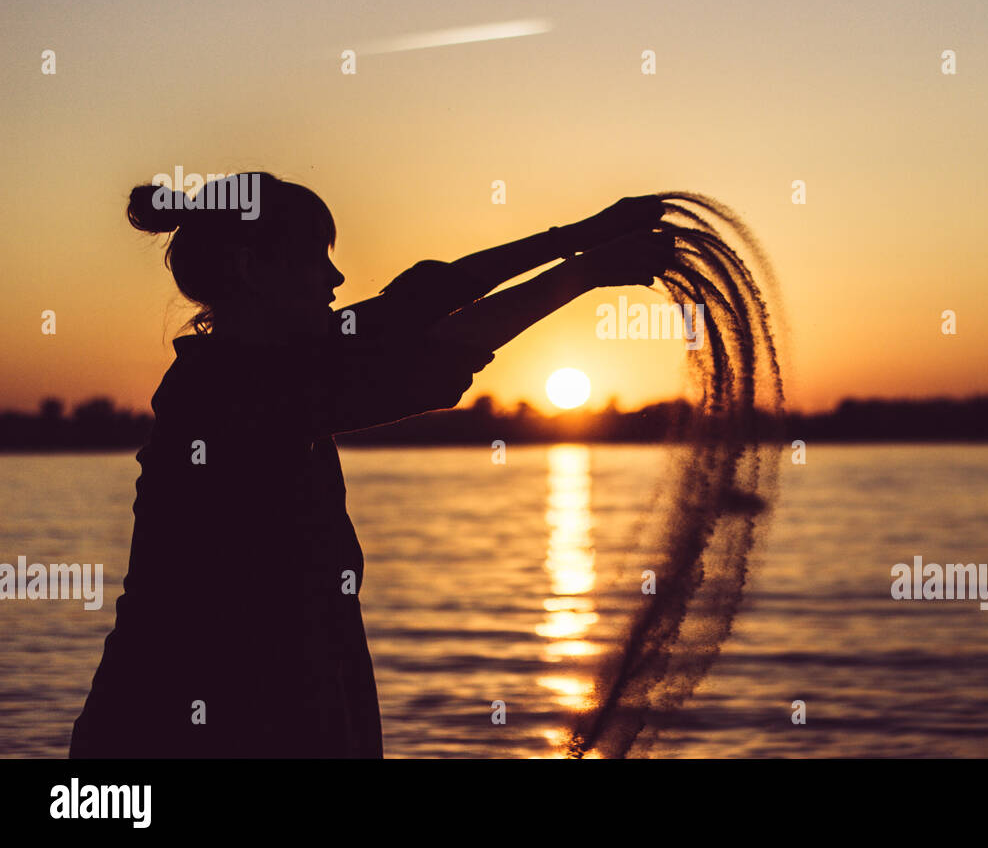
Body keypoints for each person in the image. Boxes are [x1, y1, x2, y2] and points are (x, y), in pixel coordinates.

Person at [69, 172, 673, 757]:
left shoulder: (270, 359)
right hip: (185, 725)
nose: (335, 278)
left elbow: (420, 299)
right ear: (251, 268)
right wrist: (585, 272)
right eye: (315, 259)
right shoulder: (224, 391)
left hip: (272, 706)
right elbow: (436, 357)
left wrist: (582, 237)